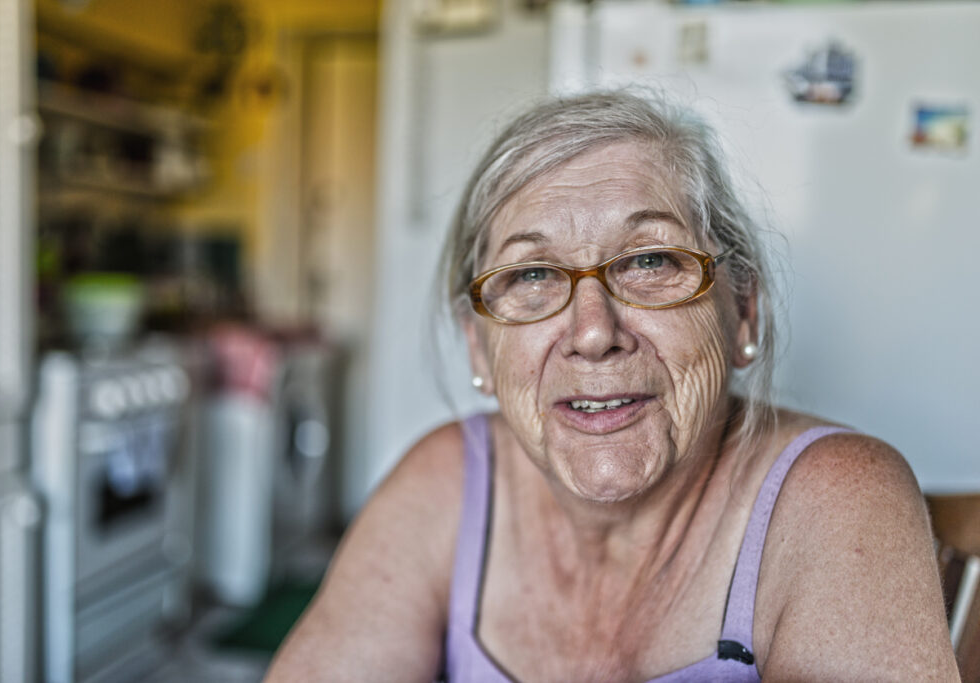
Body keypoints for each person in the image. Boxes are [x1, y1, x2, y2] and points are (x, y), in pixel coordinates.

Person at [264, 91, 959, 681]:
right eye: (532, 275)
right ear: (478, 344)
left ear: (742, 310)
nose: (593, 331)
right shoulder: (447, 478)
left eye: (650, 260)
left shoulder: (838, 496)